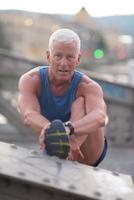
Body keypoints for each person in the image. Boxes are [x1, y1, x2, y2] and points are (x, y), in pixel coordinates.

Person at [18, 28, 107, 166]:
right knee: (51, 130)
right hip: (57, 144)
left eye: (70, 57)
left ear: (78, 59)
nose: (63, 63)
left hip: (88, 153)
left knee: (81, 102)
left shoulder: (88, 86)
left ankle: (71, 144)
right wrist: (52, 130)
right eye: (58, 56)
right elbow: (28, 115)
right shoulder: (31, 80)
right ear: (48, 56)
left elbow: (100, 117)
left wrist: (68, 129)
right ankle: (62, 145)